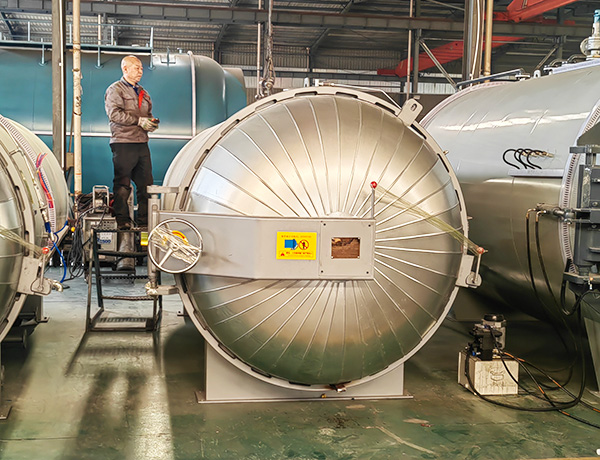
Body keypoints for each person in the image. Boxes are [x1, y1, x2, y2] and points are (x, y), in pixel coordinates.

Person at [105, 55, 158, 230]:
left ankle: (144, 223)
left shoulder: (144, 93)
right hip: (123, 142)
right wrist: (138, 121)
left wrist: (150, 123)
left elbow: (147, 115)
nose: (140, 71)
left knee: (146, 185)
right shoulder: (115, 90)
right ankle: (123, 221)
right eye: (136, 67)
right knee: (122, 184)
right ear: (125, 69)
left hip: (141, 143)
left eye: (141, 68)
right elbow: (114, 114)